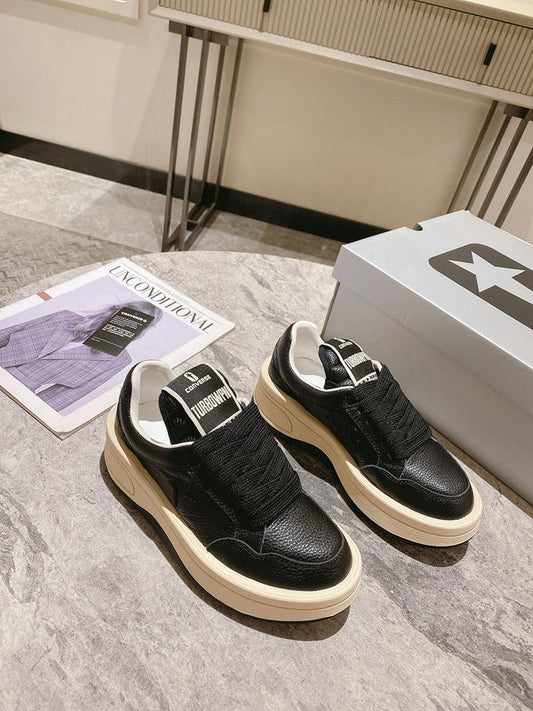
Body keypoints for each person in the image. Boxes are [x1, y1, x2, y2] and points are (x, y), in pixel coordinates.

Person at [0, 300, 162, 412]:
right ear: (116, 310)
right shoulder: (65, 317)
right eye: (129, 315)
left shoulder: (119, 360)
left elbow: (63, 397)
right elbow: (6, 334)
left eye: (141, 324)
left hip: (12, 393)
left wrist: (24, 412)